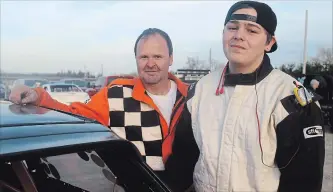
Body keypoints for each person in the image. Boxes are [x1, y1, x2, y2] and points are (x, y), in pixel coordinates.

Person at [9, 28, 199, 192]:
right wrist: (38, 96)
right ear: (136, 59)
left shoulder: (193, 96)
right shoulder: (116, 93)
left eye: (157, 56)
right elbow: (76, 117)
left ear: (171, 58)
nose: (150, 63)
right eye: (144, 57)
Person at [184, 1, 325, 192]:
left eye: (252, 30)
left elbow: (305, 180)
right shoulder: (200, 89)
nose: (238, 36)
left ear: (269, 43)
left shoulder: (290, 98)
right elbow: (184, 157)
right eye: (232, 28)